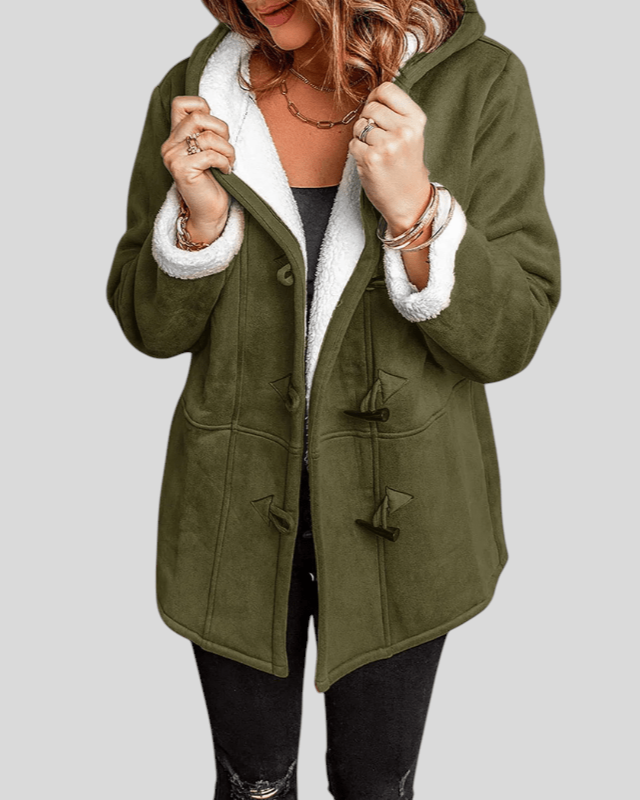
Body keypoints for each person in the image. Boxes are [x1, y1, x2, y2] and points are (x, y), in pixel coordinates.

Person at [106, 0, 561, 796]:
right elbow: (149, 325)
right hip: (230, 516)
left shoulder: (482, 84)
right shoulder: (197, 92)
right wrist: (199, 225)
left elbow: (509, 335)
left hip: (408, 520)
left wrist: (417, 214)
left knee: (375, 786)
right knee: (250, 785)